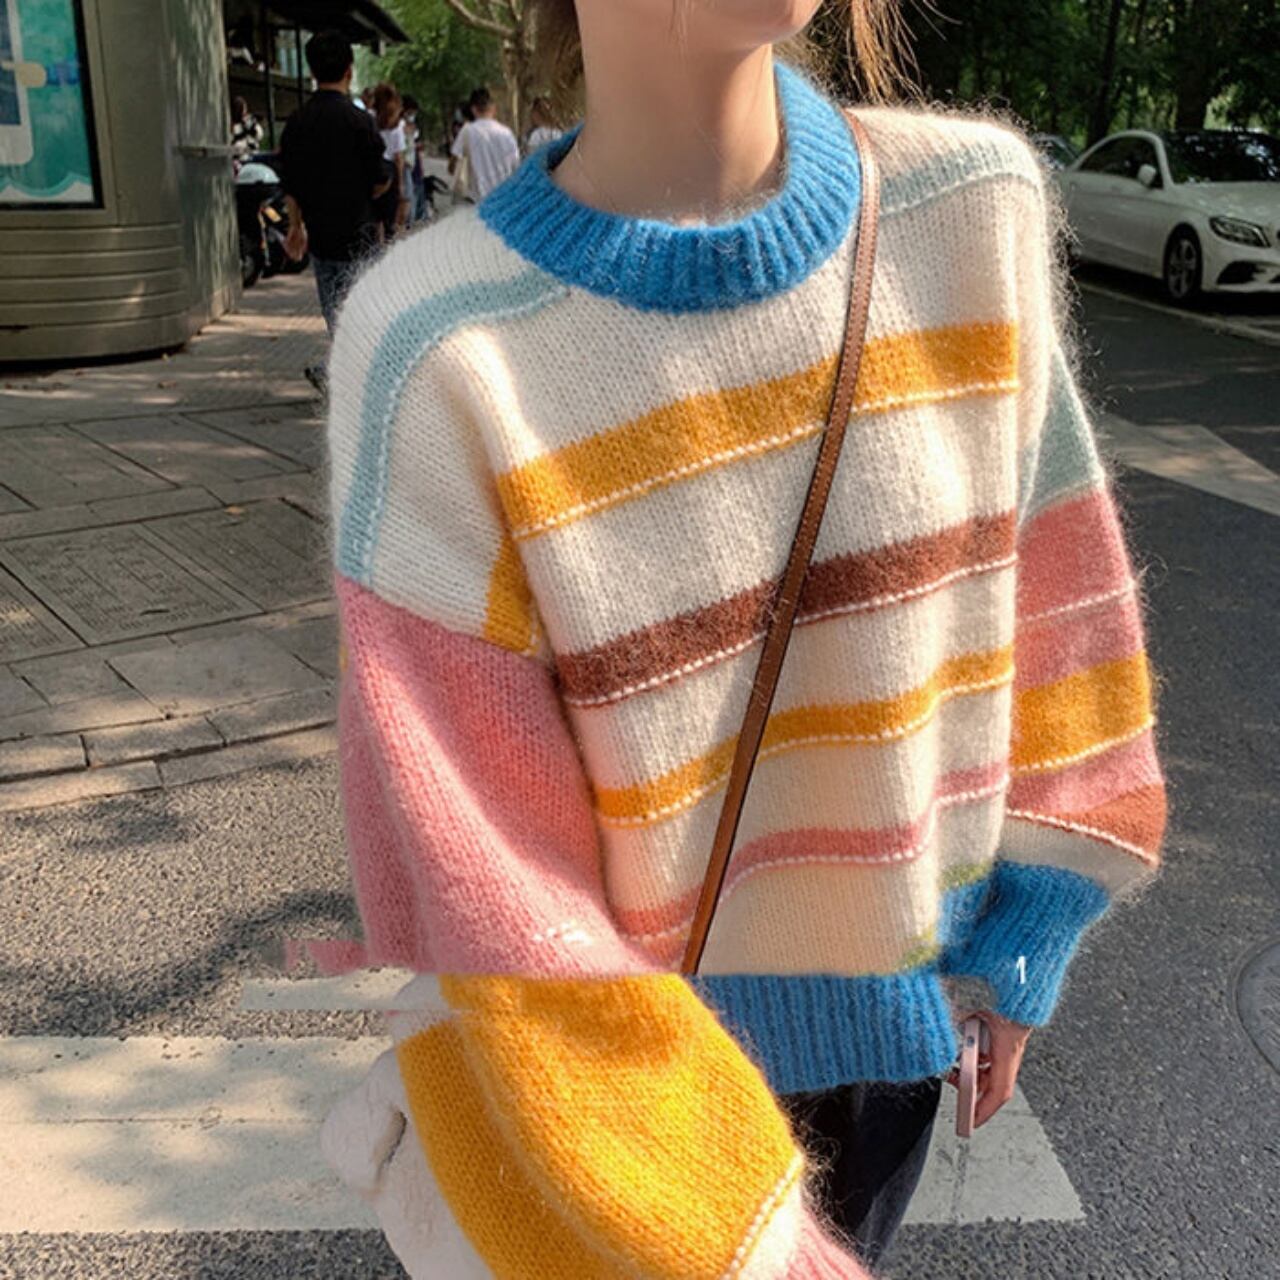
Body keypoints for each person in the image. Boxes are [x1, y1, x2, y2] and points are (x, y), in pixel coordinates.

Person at [320, 0, 1167, 1273]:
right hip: (596, 1108)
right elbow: (486, 873)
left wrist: (1028, 926)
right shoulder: (432, 347)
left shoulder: (967, 210)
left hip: (891, 1059)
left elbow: (1059, 604)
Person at [277, 30, 389, 388]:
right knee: (366, 309)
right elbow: (380, 179)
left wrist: (296, 226)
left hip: (322, 235)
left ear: (312, 71)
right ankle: (359, 377)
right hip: (360, 231)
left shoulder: (297, 123)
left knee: (335, 311)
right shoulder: (360, 122)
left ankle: (342, 373)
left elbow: (291, 184)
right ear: (349, 70)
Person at [448, 85, 520, 202]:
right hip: (504, 200)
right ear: (493, 108)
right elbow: (516, 167)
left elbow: (452, 167)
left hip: (477, 201)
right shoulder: (507, 133)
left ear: (473, 109)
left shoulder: (467, 131)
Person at [372, 82, 410, 239]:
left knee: (375, 220)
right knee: (390, 222)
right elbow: (398, 158)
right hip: (390, 176)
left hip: (374, 173)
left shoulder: (370, 122)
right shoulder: (396, 129)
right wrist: (401, 185)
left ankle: (377, 247)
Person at [401, 94, 429, 223]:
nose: (412, 115)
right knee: (409, 205)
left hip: (415, 166)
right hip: (405, 167)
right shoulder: (399, 127)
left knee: (418, 201)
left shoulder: (413, 126)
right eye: (410, 112)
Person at [229, 95, 263, 171]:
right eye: (244, 108)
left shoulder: (235, 124)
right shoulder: (238, 125)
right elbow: (258, 135)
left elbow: (258, 135)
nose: (246, 111)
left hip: (246, 157)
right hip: (245, 157)